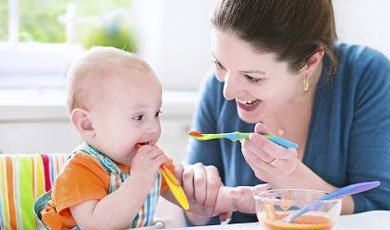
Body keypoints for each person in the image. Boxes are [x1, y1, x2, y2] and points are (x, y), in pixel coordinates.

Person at [182, 0, 390, 225]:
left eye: (253, 77)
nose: (227, 91)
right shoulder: (216, 87)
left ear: (309, 63)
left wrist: (289, 177)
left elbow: (378, 206)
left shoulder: (365, 76)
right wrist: (197, 202)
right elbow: (198, 219)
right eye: (219, 64)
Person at [33, 47, 263, 229]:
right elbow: (98, 225)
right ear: (87, 124)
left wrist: (235, 198)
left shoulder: (149, 163)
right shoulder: (81, 170)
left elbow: (190, 200)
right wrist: (140, 179)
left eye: (156, 113)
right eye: (138, 117)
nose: (153, 128)